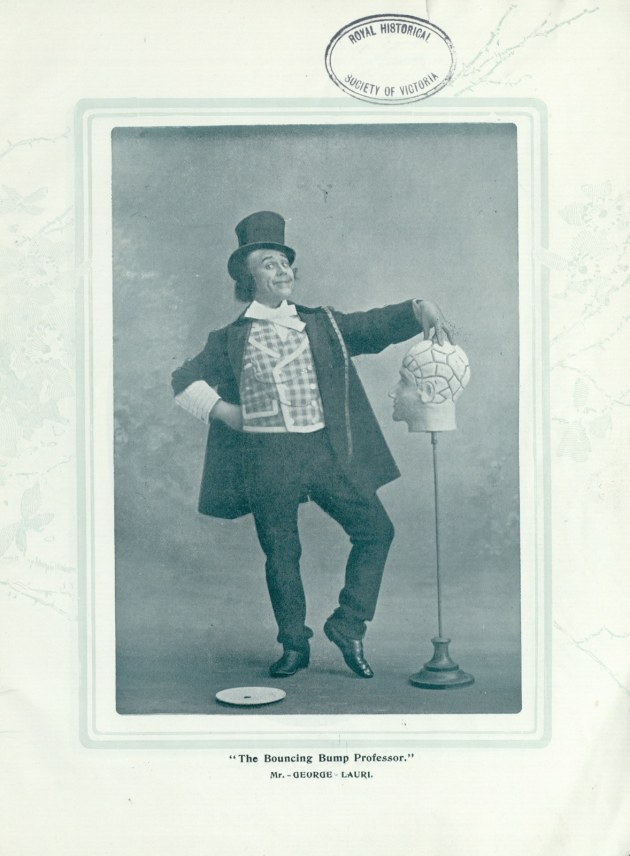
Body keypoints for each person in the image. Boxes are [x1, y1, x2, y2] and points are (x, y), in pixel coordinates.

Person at [171, 211, 455, 679]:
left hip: (325, 453)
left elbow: (372, 326)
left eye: (285, 262)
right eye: (268, 264)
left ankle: (348, 624)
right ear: (248, 278)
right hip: (267, 457)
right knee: (282, 553)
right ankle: (293, 645)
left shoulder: (322, 325)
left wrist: (418, 309)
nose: (282, 270)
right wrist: (224, 411)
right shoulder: (229, 339)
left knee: (376, 530)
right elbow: (183, 380)